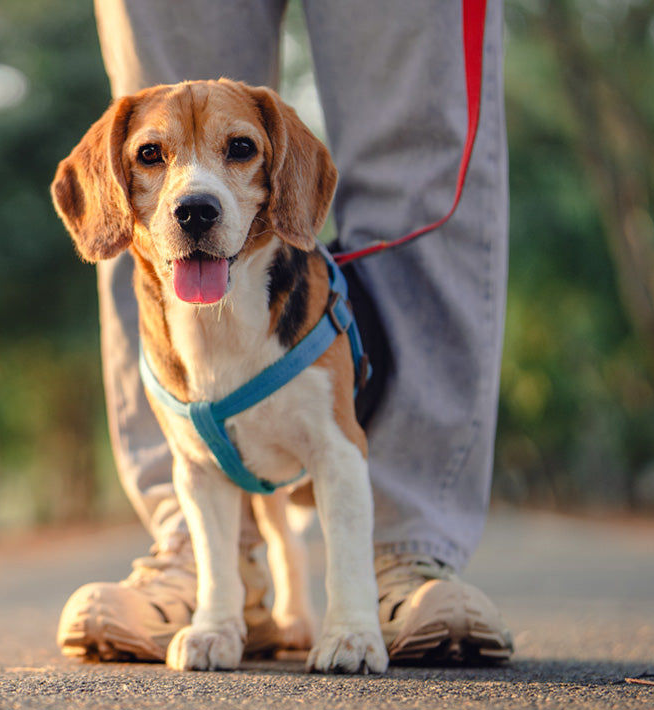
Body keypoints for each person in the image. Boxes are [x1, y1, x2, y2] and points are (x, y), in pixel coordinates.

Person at [58, 0, 514, 665]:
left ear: (279, 174)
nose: (194, 195)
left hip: (297, 326)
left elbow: (334, 457)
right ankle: (211, 586)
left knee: (415, 135)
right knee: (161, 55)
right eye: (151, 156)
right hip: (187, 367)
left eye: (239, 149)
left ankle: (404, 556)